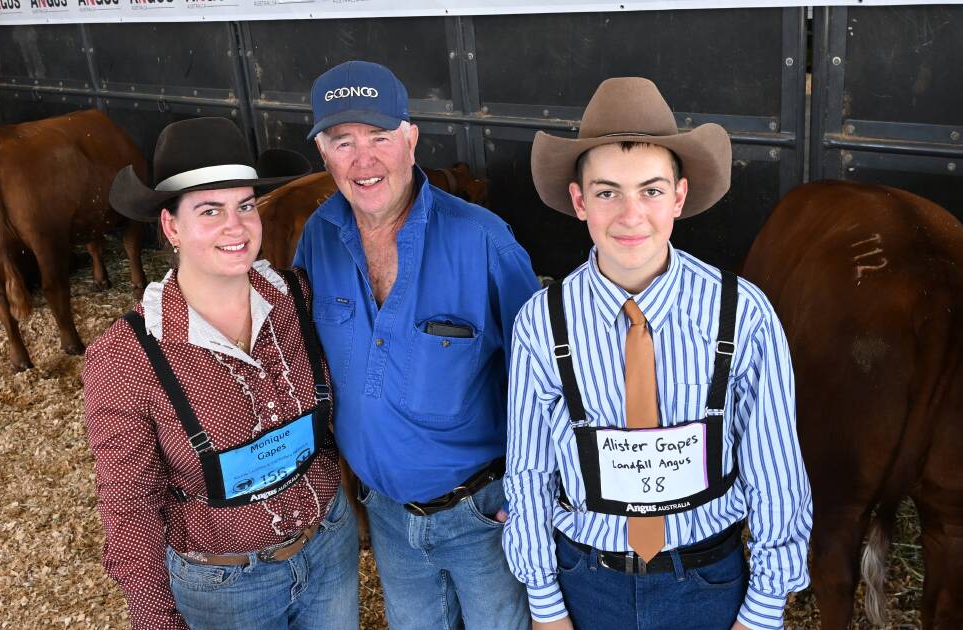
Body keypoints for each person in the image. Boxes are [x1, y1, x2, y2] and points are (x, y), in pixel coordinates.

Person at [502, 77, 812, 630]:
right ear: (579, 202)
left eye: (650, 190)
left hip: (707, 581)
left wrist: (763, 609)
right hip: (587, 582)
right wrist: (546, 604)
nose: (630, 214)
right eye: (606, 192)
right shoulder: (540, 323)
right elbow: (529, 470)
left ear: (679, 196)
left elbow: (775, 467)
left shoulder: (741, 313)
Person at [83, 117, 359, 630]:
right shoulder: (127, 356)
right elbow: (128, 502)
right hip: (226, 586)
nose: (236, 227)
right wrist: (155, 615)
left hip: (329, 548)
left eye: (245, 206)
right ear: (171, 226)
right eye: (210, 211)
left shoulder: (299, 296)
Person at [293, 60, 539, 630]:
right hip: (387, 517)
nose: (364, 159)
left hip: (483, 514)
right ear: (324, 154)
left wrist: (537, 496)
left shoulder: (481, 237)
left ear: (410, 139)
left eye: (380, 137)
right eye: (342, 141)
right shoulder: (319, 238)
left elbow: (546, 374)